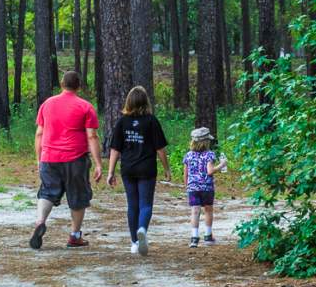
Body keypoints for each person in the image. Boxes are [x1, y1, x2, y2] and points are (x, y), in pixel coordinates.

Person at [30, 70, 102, 250]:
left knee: (47, 192)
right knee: (77, 195)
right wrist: (99, 164)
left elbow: (39, 133)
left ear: (62, 84)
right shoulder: (85, 107)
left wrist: (39, 158)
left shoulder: (47, 104)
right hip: (75, 159)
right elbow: (92, 136)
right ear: (79, 86)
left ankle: (40, 222)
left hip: (49, 157)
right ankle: (75, 236)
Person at [107, 86, 170, 256]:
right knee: (146, 204)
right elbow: (160, 149)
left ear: (129, 102)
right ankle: (142, 229)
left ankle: (134, 242)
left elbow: (115, 149)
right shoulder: (151, 121)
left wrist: (110, 172)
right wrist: (167, 169)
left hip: (128, 168)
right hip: (147, 168)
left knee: (132, 205)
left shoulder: (122, 122)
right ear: (145, 102)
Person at [182, 126, 226, 247]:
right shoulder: (209, 154)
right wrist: (222, 165)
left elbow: (185, 173)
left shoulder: (188, 155)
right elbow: (210, 171)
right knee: (208, 210)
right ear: (206, 142)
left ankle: (194, 238)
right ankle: (208, 236)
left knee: (195, 211)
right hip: (206, 188)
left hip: (193, 188)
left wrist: (187, 187)